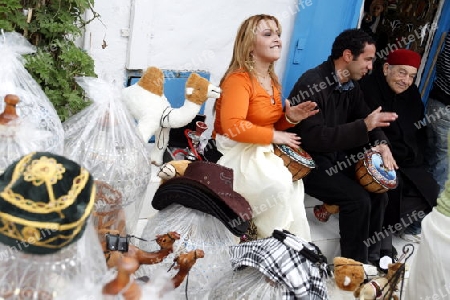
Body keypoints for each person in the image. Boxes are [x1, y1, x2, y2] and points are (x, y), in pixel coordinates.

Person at [287, 28, 398, 265]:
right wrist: (363, 127)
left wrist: (381, 144)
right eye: (368, 59)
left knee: (379, 194)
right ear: (348, 55)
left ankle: (372, 259)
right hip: (308, 162)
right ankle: (350, 267)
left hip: (335, 158)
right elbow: (314, 138)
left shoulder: (351, 85)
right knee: (357, 199)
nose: (370, 67)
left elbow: (370, 118)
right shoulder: (313, 83)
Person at [213, 14, 319, 241]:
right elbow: (234, 127)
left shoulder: (272, 81)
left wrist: (290, 118)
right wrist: (274, 135)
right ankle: (267, 241)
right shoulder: (238, 80)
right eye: (268, 34)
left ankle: (284, 246)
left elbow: (269, 124)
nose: (278, 39)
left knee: (293, 189)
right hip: (234, 150)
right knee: (278, 184)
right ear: (249, 45)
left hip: (260, 149)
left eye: (278, 34)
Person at [359, 49, 439, 244]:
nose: (406, 80)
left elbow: (420, 131)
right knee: (392, 187)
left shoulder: (411, 94)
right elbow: (363, 128)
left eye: (412, 76)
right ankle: (376, 234)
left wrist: (416, 156)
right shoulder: (367, 88)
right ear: (387, 68)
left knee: (432, 192)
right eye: (402, 72)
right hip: (375, 153)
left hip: (406, 158)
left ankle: (387, 224)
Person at [426, 32, 450, 193]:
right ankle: (431, 202)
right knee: (443, 159)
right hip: (443, 105)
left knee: (433, 154)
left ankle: (421, 195)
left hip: (438, 102)